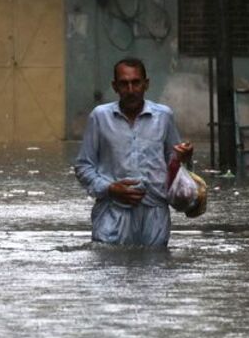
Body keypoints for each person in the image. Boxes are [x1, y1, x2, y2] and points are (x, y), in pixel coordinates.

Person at [74, 57, 193, 247]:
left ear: (146, 84)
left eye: (136, 83)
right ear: (115, 87)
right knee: (107, 260)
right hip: (112, 212)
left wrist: (183, 157)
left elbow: (174, 164)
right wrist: (110, 189)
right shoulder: (100, 117)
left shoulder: (163, 116)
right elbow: (83, 166)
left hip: (154, 212)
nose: (130, 90)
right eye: (124, 84)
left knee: (155, 263)